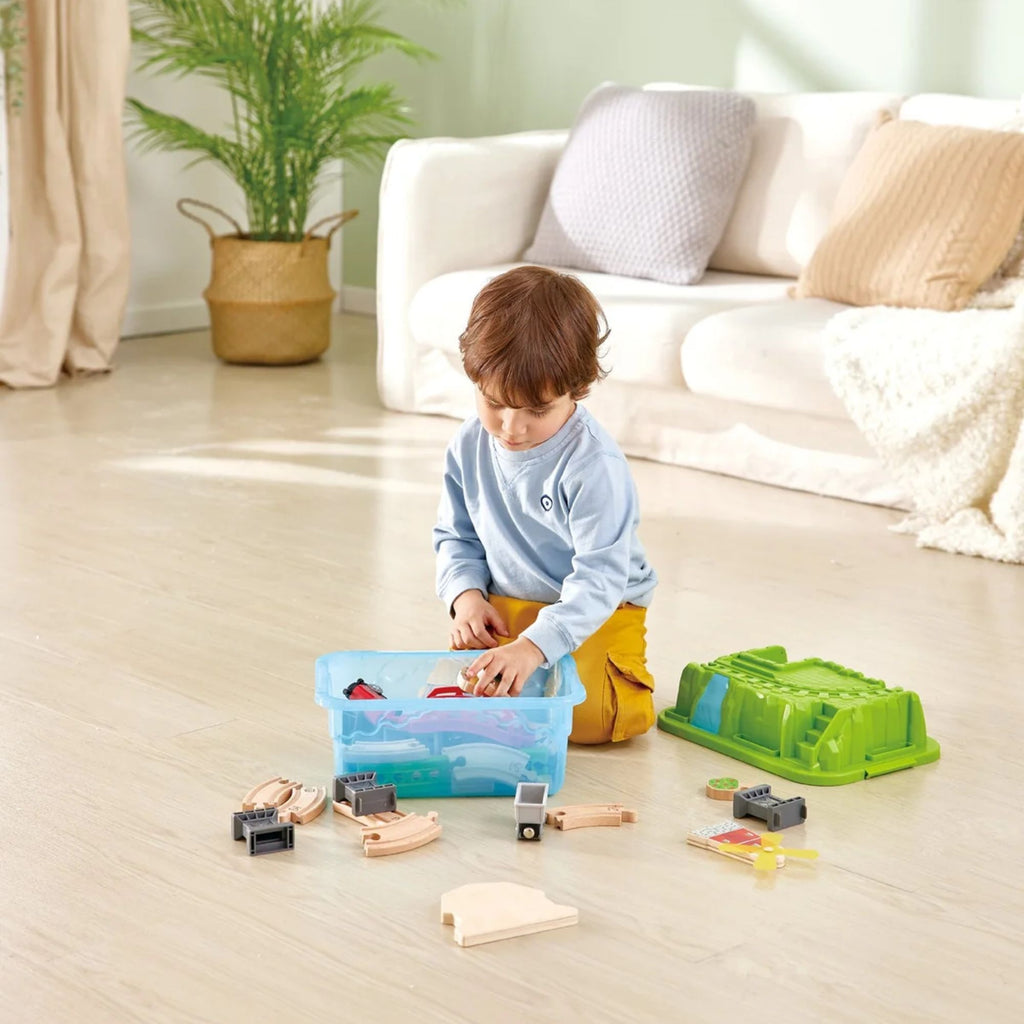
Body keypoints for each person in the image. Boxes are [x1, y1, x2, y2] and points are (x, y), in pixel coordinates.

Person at [432, 265, 658, 744]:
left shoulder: (594, 465)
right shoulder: (467, 445)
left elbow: (601, 577)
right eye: (494, 402)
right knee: (471, 699)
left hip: (598, 606)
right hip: (510, 602)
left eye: (537, 410)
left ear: (577, 389)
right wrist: (466, 597)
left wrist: (535, 646)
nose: (512, 428)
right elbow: (457, 536)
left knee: (594, 722)